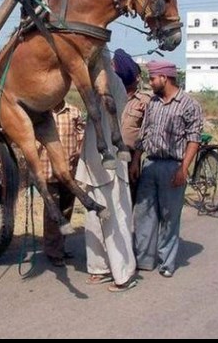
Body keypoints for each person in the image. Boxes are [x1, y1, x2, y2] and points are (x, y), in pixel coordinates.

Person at [130, 59, 203, 278]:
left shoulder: (189, 105)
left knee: (169, 217)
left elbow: (193, 140)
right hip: (150, 164)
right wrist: (136, 161)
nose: (150, 82)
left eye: (152, 78)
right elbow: (144, 134)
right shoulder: (152, 103)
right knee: (143, 215)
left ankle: (166, 262)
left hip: (173, 166)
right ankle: (144, 259)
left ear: (165, 77)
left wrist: (183, 169)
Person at [75, 48, 137, 292]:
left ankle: (124, 274)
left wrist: (95, 43)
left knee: (116, 220)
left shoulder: (114, 82)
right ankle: (99, 268)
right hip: (93, 165)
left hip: (110, 167)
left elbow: (100, 60)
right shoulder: (98, 86)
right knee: (93, 221)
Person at [39, 100, 85, 267]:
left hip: (68, 172)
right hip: (47, 171)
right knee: (53, 215)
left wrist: (79, 150)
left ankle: (60, 246)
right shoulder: (41, 113)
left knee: (66, 211)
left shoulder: (74, 112)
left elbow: (81, 135)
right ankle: (53, 252)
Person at [112, 48, 151, 203]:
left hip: (130, 157)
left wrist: (136, 161)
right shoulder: (112, 98)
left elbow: (144, 134)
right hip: (111, 155)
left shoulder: (145, 101)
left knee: (128, 201)